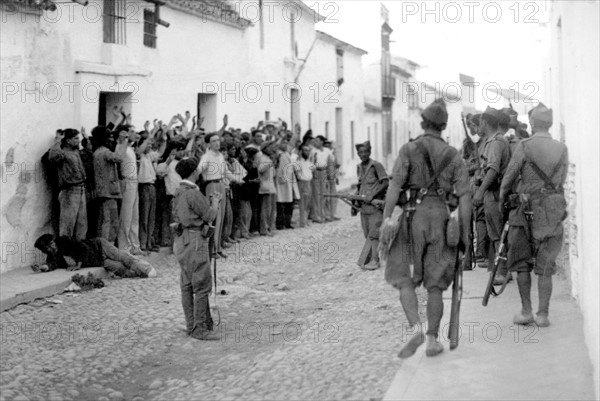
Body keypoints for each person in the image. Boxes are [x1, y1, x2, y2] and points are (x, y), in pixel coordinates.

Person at [381, 99, 471, 358]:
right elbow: (465, 197)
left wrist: (387, 220)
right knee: (436, 286)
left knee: (404, 278)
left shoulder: (409, 149)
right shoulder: (453, 155)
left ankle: (415, 328)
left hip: (411, 219)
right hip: (442, 220)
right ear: (444, 126)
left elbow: (395, 187)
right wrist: (463, 235)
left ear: (423, 123)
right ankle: (432, 340)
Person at [499, 103, 568, 328]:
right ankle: (543, 315)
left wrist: (503, 204)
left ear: (533, 123)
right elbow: (562, 179)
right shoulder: (561, 148)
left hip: (526, 210)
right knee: (546, 265)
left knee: (521, 263)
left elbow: (508, 179)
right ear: (549, 124)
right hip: (553, 210)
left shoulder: (524, 146)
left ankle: (526, 311)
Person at [172, 157, 222, 341]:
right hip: (195, 240)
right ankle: (200, 328)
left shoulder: (178, 191)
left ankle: (191, 325)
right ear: (194, 172)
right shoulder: (193, 193)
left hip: (181, 240)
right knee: (201, 284)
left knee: (186, 284)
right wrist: (215, 202)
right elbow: (209, 215)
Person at [473, 107, 512, 285]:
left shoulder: (496, 142)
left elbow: (493, 169)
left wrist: (480, 192)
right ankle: (502, 270)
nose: (478, 127)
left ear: (485, 123)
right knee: (495, 234)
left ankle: (503, 272)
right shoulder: (492, 141)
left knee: (498, 235)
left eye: (480, 123)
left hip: (495, 195)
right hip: (492, 194)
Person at [33, 234, 157, 278]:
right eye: (48, 248)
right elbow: (52, 264)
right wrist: (43, 267)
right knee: (119, 269)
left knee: (122, 256)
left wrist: (78, 265)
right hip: (98, 260)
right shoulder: (53, 256)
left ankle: (146, 268)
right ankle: (138, 274)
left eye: (52, 244)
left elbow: (83, 248)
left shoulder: (64, 241)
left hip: (99, 246)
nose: (52, 248)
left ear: (54, 241)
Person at [48, 129, 88, 240]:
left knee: (82, 224)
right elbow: (52, 157)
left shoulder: (75, 152)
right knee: (67, 226)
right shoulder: (62, 153)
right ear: (68, 140)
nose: (78, 140)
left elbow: (89, 151)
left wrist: (86, 137)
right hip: (69, 191)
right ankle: (66, 253)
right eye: (76, 138)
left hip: (81, 189)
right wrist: (58, 140)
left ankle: (79, 253)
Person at [354, 141, 388, 270]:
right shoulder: (359, 167)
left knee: (374, 234)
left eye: (365, 152)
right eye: (360, 152)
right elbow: (360, 185)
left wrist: (372, 195)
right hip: (364, 207)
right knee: (367, 233)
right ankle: (369, 259)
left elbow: (385, 182)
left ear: (370, 152)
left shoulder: (376, 166)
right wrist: (354, 200)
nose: (363, 154)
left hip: (375, 206)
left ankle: (375, 260)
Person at [198, 133, 228, 257]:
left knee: (221, 216)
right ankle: (212, 249)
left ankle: (218, 246)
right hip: (211, 184)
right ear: (209, 143)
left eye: (218, 140)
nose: (217, 143)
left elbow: (225, 171)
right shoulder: (206, 156)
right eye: (214, 141)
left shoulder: (220, 155)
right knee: (214, 217)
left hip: (221, 184)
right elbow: (200, 168)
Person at [92, 126, 122, 242]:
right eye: (109, 137)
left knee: (106, 220)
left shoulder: (98, 152)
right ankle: (106, 249)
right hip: (109, 192)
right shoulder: (105, 152)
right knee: (111, 221)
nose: (112, 140)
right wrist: (121, 144)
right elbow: (119, 158)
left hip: (104, 192)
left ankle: (105, 248)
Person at [116, 127, 143, 255]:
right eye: (132, 132)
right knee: (126, 216)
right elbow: (119, 158)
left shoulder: (131, 148)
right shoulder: (120, 146)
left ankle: (135, 245)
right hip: (127, 181)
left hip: (134, 181)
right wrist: (123, 141)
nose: (135, 134)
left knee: (134, 217)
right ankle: (124, 246)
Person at [294, 144, 315, 228]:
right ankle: (302, 222)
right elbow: (297, 172)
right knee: (302, 203)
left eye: (308, 150)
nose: (307, 152)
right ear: (301, 152)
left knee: (308, 203)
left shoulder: (309, 162)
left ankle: (305, 220)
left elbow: (312, 170)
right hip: (302, 183)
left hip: (309, 182)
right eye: (305, 150)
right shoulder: (298, 162)